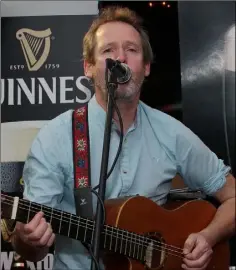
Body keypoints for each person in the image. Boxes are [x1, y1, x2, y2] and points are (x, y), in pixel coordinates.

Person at [11, 6, 235, 270]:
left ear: (147, 67)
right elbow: (31, 252)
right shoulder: (56, 138)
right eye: (108, 51)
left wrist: (208, 238)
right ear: (89, 68)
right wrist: (28, 239)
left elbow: (232, 195)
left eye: (132, 50)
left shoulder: (172, 133)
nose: (120, 58)